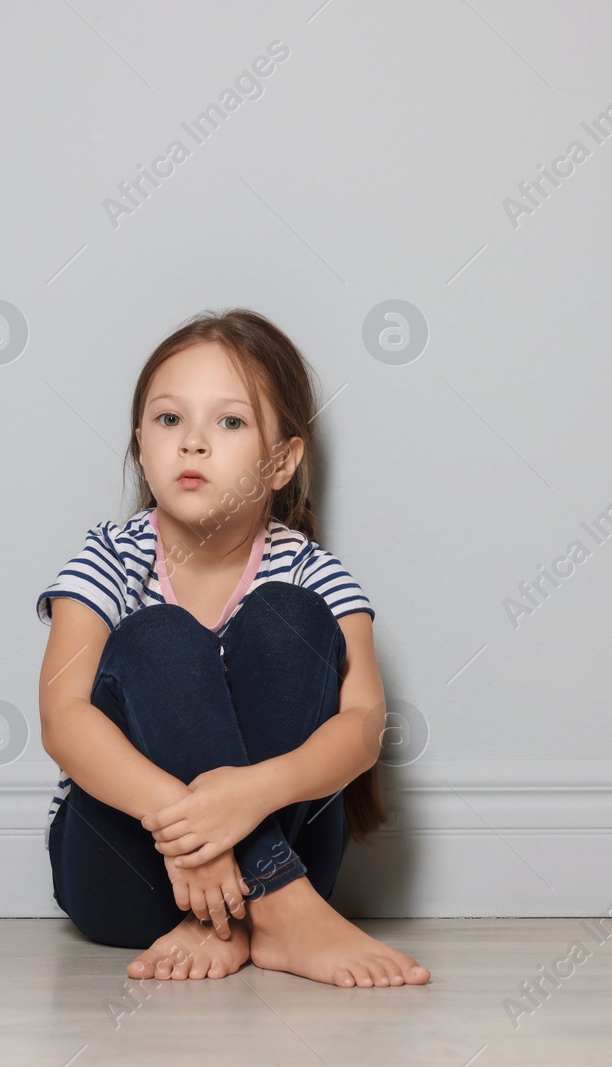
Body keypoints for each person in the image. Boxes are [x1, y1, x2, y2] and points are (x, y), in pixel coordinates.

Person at [34, 308, 430, 989]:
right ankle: (270, 902)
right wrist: (189, 825)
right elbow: (62, 718)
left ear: (282, 462)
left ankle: (274, 907)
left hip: (291, 860)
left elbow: (362, 728)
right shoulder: (108, 556)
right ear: (140, 443)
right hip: (132, 871)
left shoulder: (312, 573)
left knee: (290, 616)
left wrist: (248, 796)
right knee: (158, 633)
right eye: (168, 420)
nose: (193, 443)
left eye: (230, 422)